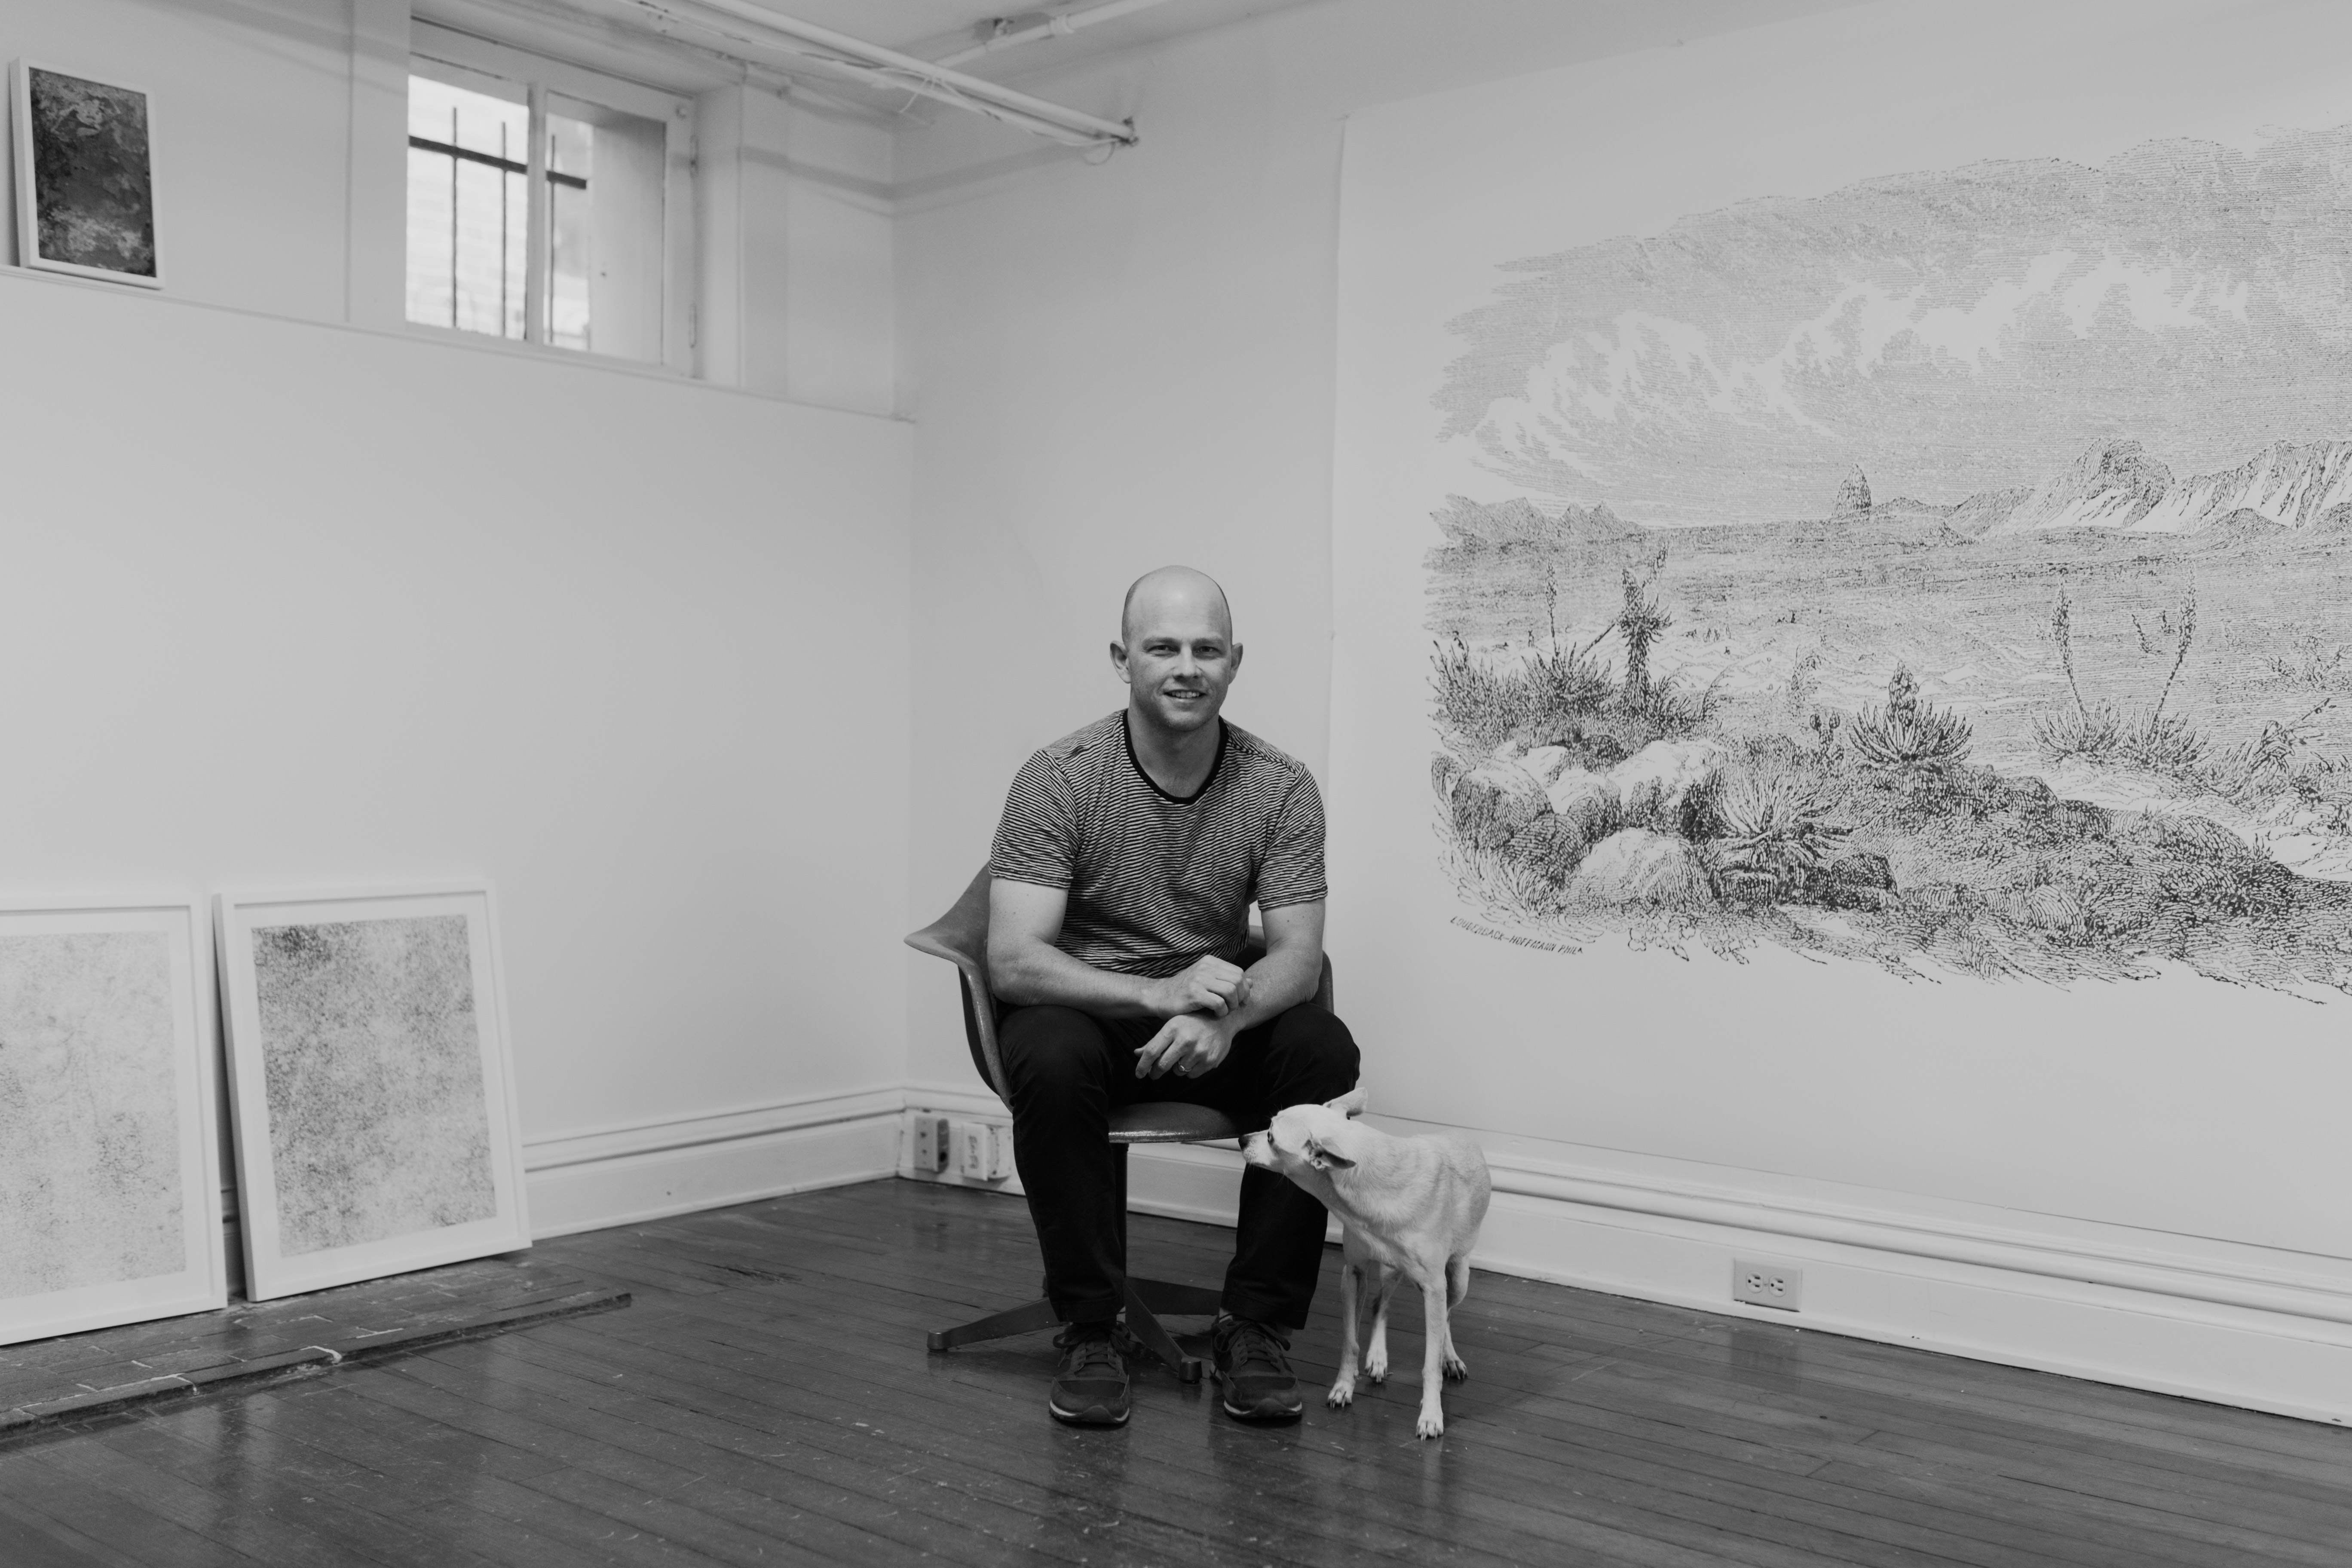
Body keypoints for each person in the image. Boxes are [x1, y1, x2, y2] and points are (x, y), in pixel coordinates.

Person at [986, 565, 1359, 1428]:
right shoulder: (1060, 776)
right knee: (1045, 1046)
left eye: (1206, 649)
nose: (1186, 666)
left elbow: (1300, 960)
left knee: (1321, 1049)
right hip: (1098, 1016)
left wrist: (1218, 1016)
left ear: (1235, 662)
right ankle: (1087, 1326)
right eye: (1163, 648)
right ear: (1123, 659)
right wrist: (1160, 997)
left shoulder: (1280, 785)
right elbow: (1013, 961)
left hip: (1213, 1023)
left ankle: (1256, 1326)